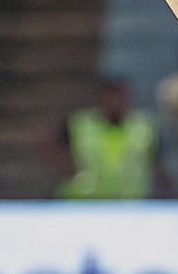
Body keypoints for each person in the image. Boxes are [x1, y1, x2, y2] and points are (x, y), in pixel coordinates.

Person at [40, 77, 168, 199]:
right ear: (100, 99)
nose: (115, 102)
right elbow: (48, 143)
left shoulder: (143, 127)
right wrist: (71, 171)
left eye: (119, 97)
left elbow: (156, 165)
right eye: (110, 97)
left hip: (130, 208)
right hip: (81, 207)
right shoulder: (80, 123)